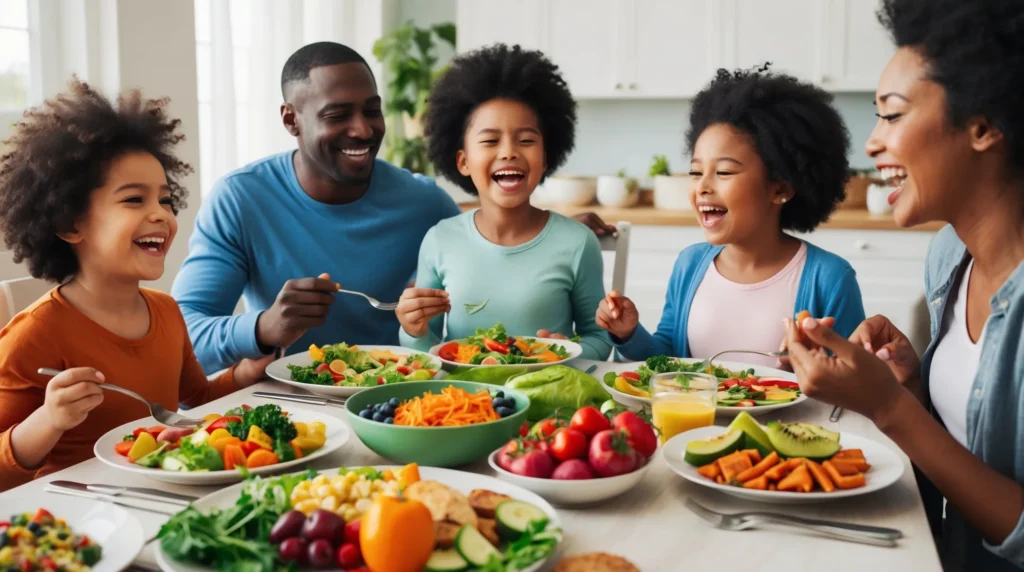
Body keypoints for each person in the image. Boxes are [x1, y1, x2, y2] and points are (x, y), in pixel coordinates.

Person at [172, 42, 616, 373]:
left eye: (372, 111)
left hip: (398, 397)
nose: (362, 130)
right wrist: (264, 327)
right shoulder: (240, 199)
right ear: (292, 119)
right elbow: (180, 339)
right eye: (337, 115)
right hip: (291, 399)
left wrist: (552, 234)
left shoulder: (422, 202)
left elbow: (482, 235)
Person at [783, 1, 1024, 569]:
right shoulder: (949, 258)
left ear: (983, 126)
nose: (870, 143)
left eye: (891, 116)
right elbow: (965, 457)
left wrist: (891, 408)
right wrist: (910, 387)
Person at [0, 79, 267, 491]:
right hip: (77, 519)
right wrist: (47, 421)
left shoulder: (165, 310)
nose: (161, 214)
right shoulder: (34, 335)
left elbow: (194, 401)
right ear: (70, 224)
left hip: (158, 498)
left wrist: (246, 372)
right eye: (133, 200)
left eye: (165, 199)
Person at [596, 66, 864, 367]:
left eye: (723, 172)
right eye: (696, 172)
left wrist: (807, 372)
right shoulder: (690, 264)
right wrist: (629, 334)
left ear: (780, 189)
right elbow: (667, 357)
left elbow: (855, 381)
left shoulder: (828, 278)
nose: (702, 187)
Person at [396, 44, 611, 360]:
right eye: (490, 141)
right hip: (463, 401)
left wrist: (570, 353)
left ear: (545, 157)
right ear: (463, 161)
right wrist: (412, 331)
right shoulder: (440, 240)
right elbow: (428, 352)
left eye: (526, 140)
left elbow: (600, 337)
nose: (509, 151)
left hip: (547, 398)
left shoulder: (578, 242)